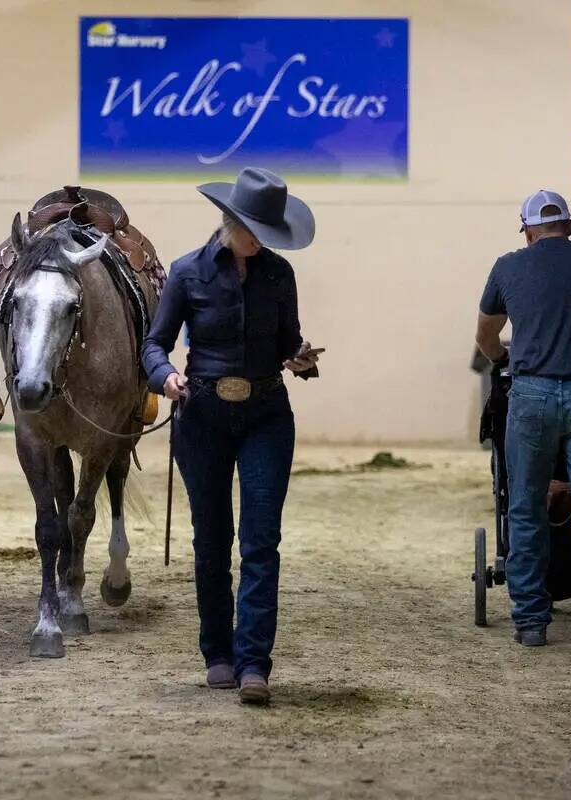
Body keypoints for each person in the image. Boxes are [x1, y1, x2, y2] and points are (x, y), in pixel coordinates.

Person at [141, 167, 321, 704]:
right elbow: (153, 345)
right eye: (253, 229)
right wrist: (165, 377)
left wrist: (301, 359)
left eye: (267, 231)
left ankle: (253, 664)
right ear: (230, 221)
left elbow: (289, 341)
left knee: (262, 541)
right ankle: (217, 653)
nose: (260, 239)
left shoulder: (279, 275)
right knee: (213, 541)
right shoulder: (186, 272)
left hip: (267, 413)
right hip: (202, 416)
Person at [475, 189, 571, 659]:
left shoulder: (507, 266)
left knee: (523, 505)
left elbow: (485, 336)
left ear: (527, 231)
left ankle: (531, 621)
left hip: (533, 395)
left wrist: (505, 356)